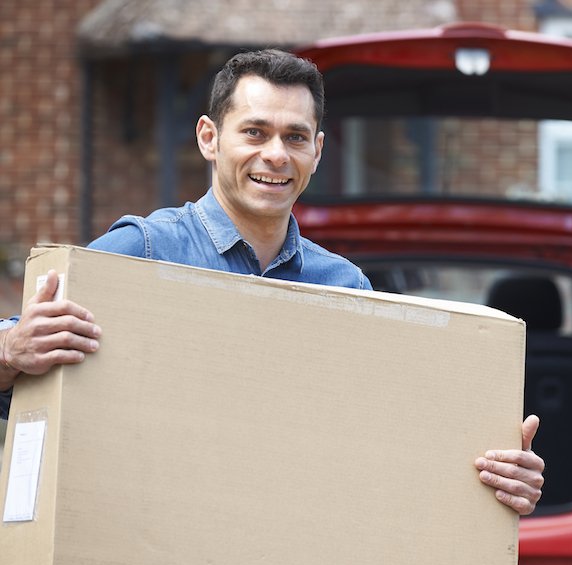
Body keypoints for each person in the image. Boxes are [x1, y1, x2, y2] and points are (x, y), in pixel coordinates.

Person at [0, 49, 544, 516]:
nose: (276, 155)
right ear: (210, 138)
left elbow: (384, 441)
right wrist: (11, 349)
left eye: (295, 137)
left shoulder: (346, 288)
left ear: (317, 152)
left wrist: (492, 476)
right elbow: (33, 369)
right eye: (255, 132)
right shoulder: (141, 251)